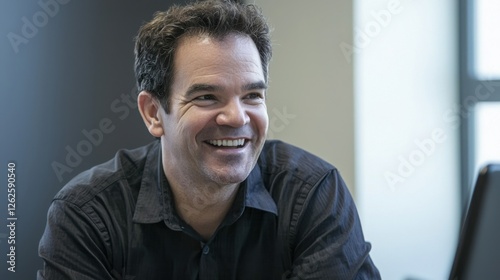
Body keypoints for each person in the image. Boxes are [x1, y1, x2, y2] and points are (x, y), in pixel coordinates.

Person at [38, 0, 380, 279]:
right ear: (153, 113)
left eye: (252, 96)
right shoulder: (87, 216)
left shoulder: (313, 195)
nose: (236, 117)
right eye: (206, 97)